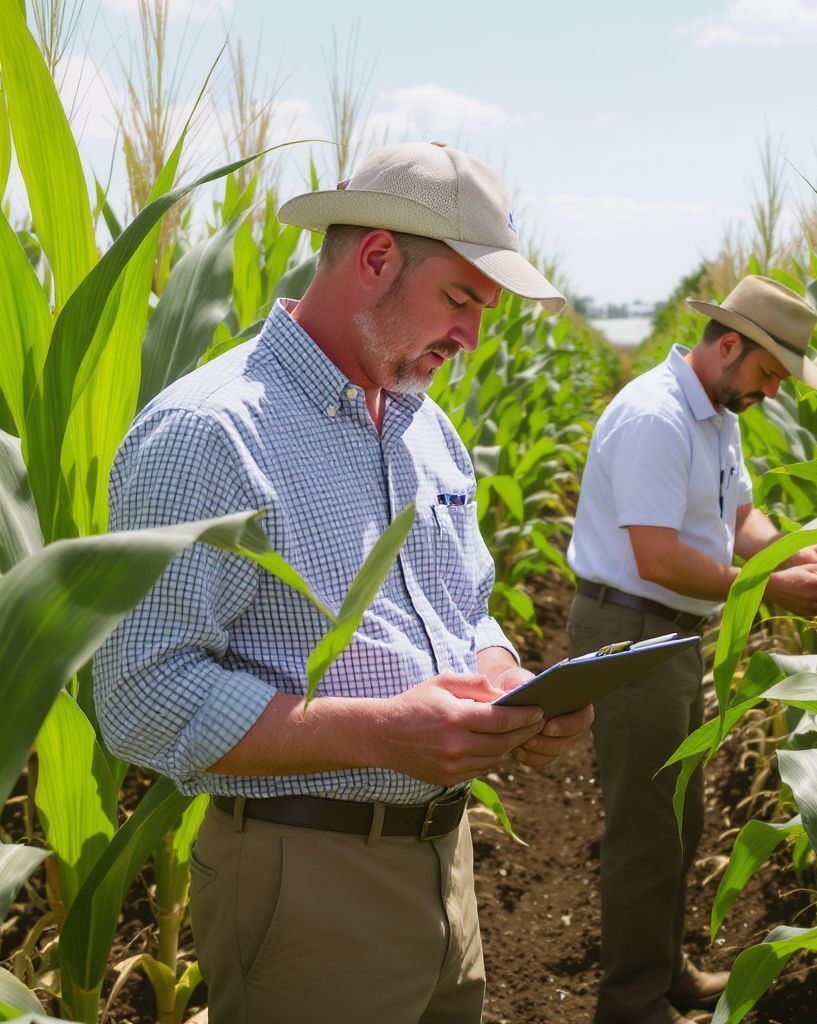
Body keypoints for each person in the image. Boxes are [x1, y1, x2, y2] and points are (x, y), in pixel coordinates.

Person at [93, 142, 593, 1024]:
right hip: (306, 881)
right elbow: (139, 695)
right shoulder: (207, 434)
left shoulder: (426, 428)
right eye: (462, 301)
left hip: (447, 866)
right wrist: (380, 734)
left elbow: (462, 606)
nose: (473, 338)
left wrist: (509, 680)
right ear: (374, 259)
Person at [566, 275, 817, 1024]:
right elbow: (659, 556)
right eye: (767, 373)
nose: (772, 392)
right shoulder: (656, 418)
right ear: (729, 345)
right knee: (645, 828)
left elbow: (738, 524)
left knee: (681, 820)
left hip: (670, 634)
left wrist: (789, 555)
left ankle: (666, 971)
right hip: (629, 631)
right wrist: (768, 590)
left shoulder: (718, 415)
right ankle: (629, 1003)